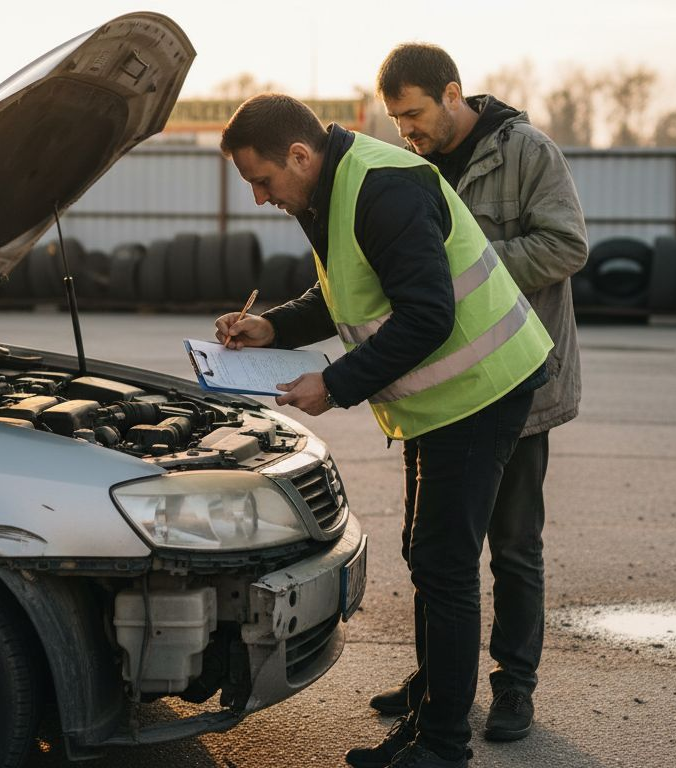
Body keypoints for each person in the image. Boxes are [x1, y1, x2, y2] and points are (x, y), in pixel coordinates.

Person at [213, 93, 553, 768]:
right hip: (442, 400)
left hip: (482, 391)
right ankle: (430, 714)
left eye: (262, 179)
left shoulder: (381, 187)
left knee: (445, 566)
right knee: (427, 556)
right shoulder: (334, 190)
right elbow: (351, 295)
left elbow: (427, 317)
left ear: (300, 155)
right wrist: (274, 326)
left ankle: (444, 745)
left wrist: (334, 385)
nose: (257, 197)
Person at [365, 43, 589, 744]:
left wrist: (468, 271)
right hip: (438, 391)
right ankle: (436, 681)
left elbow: (565, 245)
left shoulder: (526, 152)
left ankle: (515, 687)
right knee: (428, 548)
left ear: (453, 93)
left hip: (514, 390)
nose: (406, 130)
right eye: (396, 119)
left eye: (414, 114)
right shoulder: (412, 166)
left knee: (514, 547)